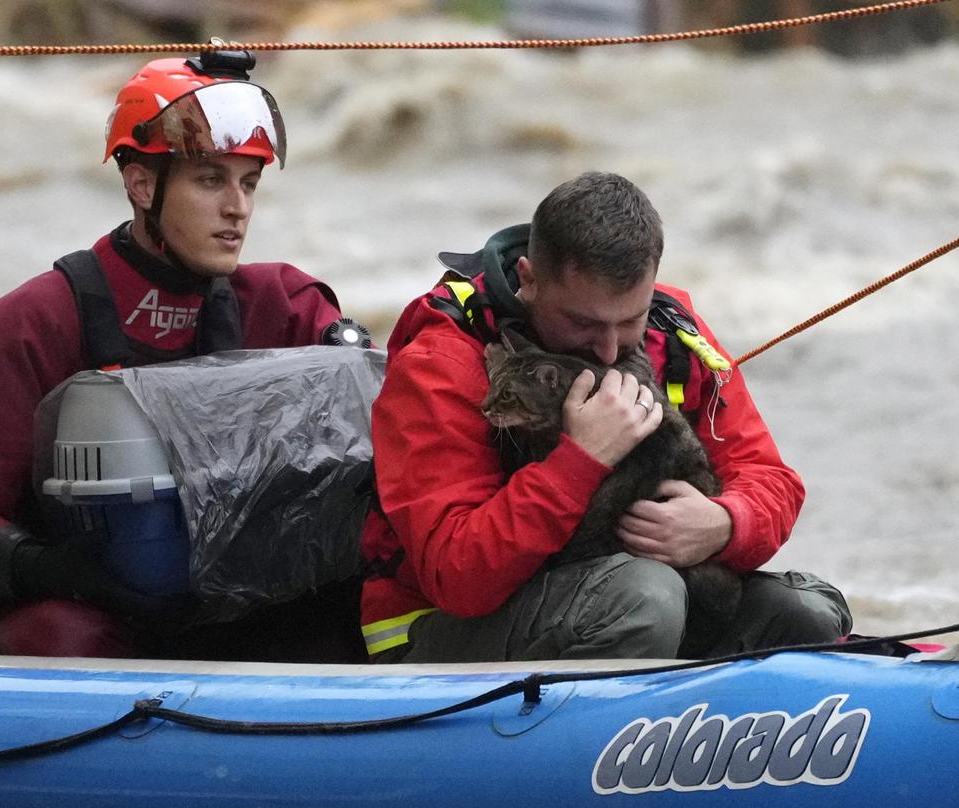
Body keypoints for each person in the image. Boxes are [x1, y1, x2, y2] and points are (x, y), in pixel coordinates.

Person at [0, 50, 366, 660]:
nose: (238, 208)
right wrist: (50, 569)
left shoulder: (286, 307)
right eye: (211, 180)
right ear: (142, 184)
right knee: (59, 637)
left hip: (241, 602)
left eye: (248, 183)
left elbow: (386, 420)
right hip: (95, 614)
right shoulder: (27, 327)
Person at [360, 171, 851, 663]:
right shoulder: (441, 362)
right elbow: (457, 575)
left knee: (805, 613)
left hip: (627, 599)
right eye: (583, 323)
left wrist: (723, 522)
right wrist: (581, 460)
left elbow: (770, 478)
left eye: (630, 321)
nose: (611, 349)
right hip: (435, 635)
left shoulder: (672, 333)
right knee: (644, 598)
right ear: (529, 281)